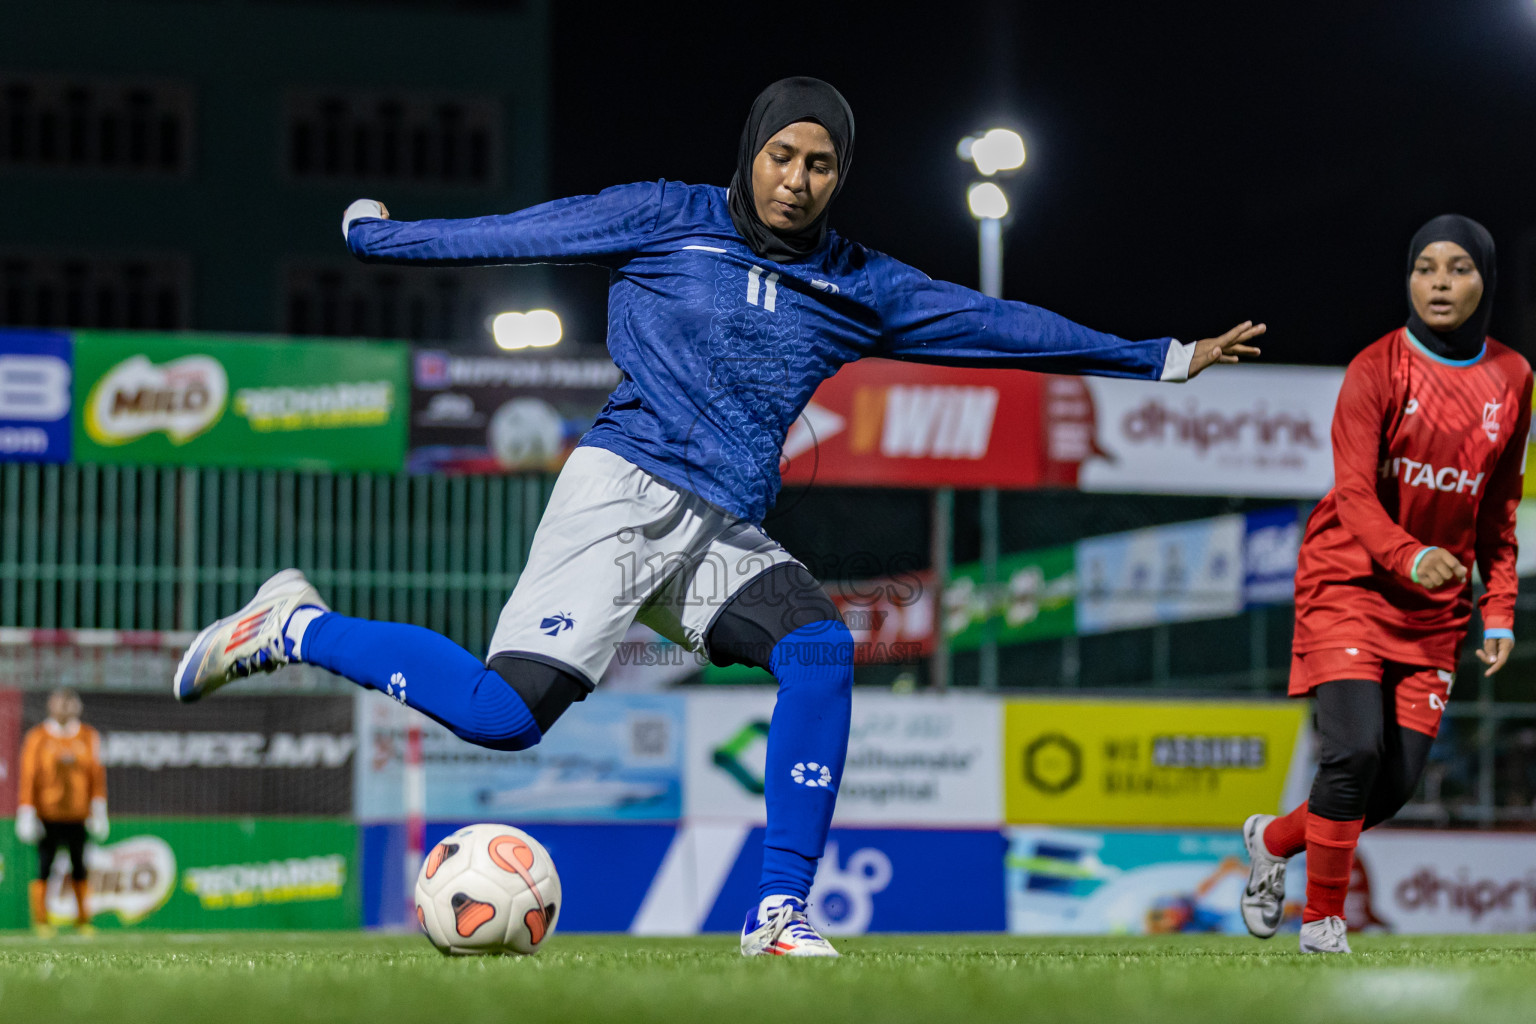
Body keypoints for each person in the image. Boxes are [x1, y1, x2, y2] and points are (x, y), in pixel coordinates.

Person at [175, 77, 1263, 956]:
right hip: (619, 496)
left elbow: (997, 324)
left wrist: (1159, 358)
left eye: (820, 162)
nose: (796, 178)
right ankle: (293, 625)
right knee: (503, 718)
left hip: (717, 527)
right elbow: (524, 229)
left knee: (821, 648)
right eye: (782, 154)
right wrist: (381, 240)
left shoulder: (857, 284)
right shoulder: (668, 218)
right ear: (749, 153)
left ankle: (778, 912)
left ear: (841, 177)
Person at [1240, 214, 1528, 954]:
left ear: (1485, 281)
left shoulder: (1515, 378)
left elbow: (1498, 509)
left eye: (1458, 268)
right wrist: (1406, 555)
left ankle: (1272, 841)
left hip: (1433, 612)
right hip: (1349, 584)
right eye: (1424, 266)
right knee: (1352, 754)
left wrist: (1498, 611)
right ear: (1408, 279)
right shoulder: (1377, 367)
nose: (1438, 281)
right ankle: (1323, 924)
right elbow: (1354, 493)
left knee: (1389, 789)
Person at [16, 687, 109, 936]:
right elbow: (29, 776)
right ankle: (42, 922)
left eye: (70, 703)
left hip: (78, 816)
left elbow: (96, 775)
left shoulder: (89, 736)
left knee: (80, 867)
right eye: (61, 702)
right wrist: (27, 810)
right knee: (44, 867)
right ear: (50, 706)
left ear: (78, 707)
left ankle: (83, 921)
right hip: (48, 816)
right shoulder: (37, 737)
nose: (66, 707)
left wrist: (99, 808)